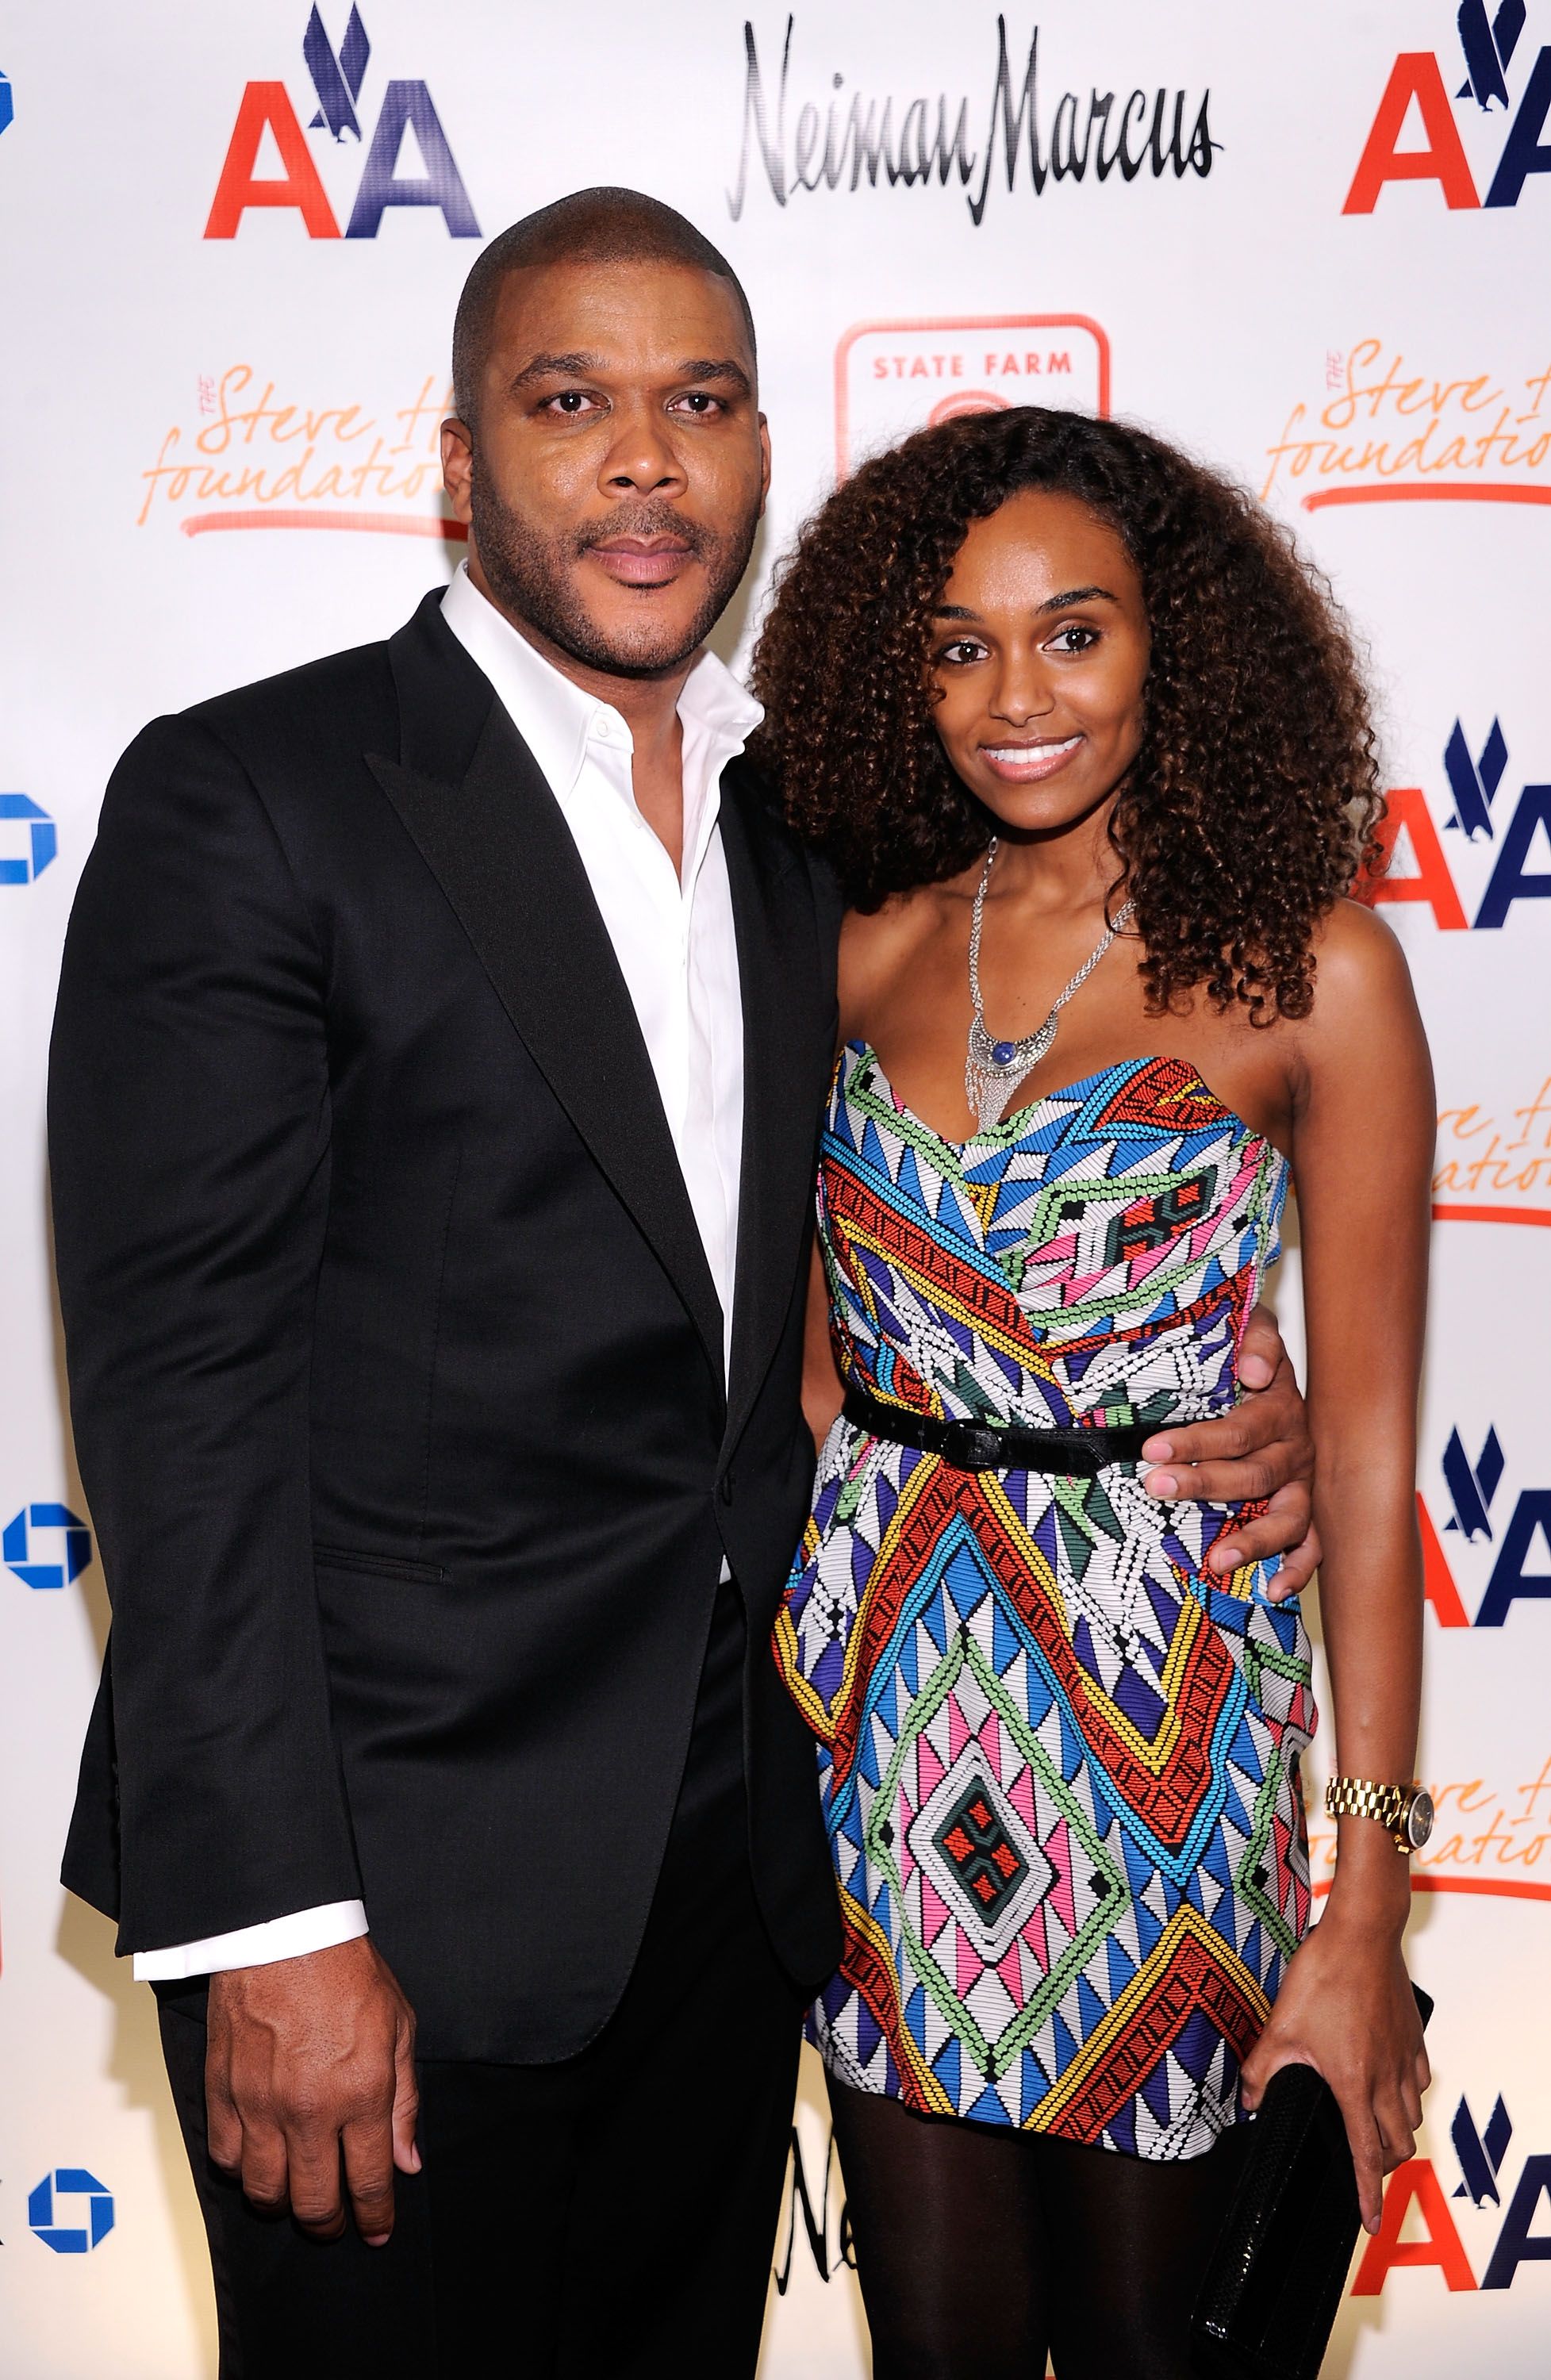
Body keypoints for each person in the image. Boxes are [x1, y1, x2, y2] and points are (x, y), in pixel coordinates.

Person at [48, 198, 1317, 2379]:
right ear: (461, 462)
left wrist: (1208, 1387)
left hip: (742, 1897)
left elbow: (922, 1251)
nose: (644, 461)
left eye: (698, 403)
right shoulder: (257, 798)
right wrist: (273, 1927)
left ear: (753, 453)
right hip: (392, 1920)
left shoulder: (807, 838)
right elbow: (181, 1418)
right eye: (572, 402)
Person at [758, 405, 1433, 2380]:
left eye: (1075, 633)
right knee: (938, 2351)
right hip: (886, 1736)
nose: (1014, 696)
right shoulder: (859, 939)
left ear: (1176, 647)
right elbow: (808, 1369)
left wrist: (1366, 1901)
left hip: (1170, 1731)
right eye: (960, 646)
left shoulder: (1316, 973)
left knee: (1167, 2348)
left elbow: (1374, 1467)